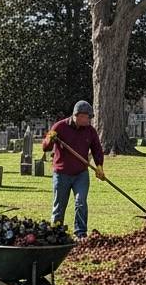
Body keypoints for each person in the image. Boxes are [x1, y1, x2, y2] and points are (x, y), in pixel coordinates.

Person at [42, 100, 106, 239]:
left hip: (81, 174)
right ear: (78, 115)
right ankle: (56, 232)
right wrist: (50, 139)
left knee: (81, 202)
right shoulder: (60, 127)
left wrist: (99, 166)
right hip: (61, 174)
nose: (89, 120)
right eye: (88, 117)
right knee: (59, 205)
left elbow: (97, 150)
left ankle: (80, 233)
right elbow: (45, 147)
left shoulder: (90, 131)